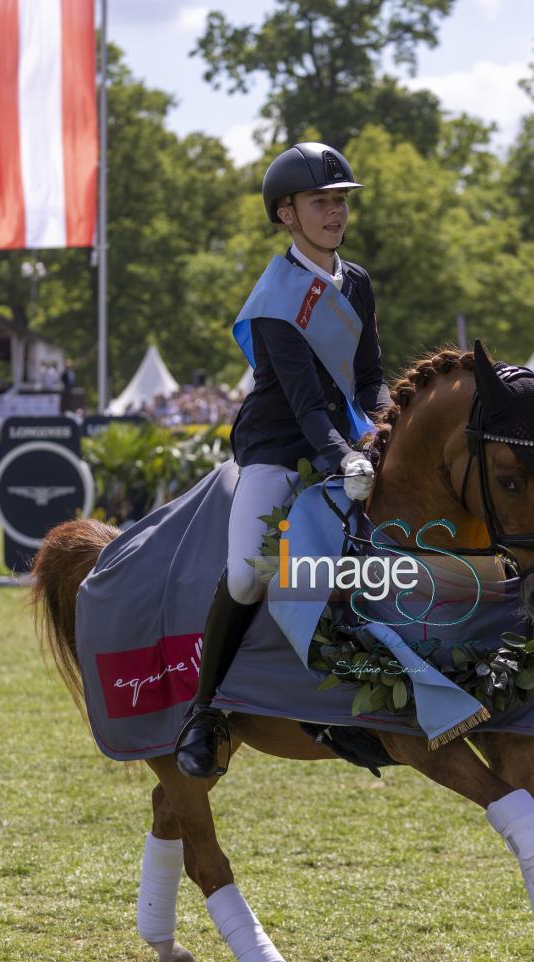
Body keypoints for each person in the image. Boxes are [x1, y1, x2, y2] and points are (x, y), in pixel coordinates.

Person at [174, 141, 391, 779]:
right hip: (278, 448)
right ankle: (204, 711)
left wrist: (384, 431)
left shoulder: (356, 283)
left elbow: (370, 377)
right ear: (286, 215)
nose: (334, 212)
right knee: (247, 572)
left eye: (340, 201)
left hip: (346, 443)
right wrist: (346, 459)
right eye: (319, 202)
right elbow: (304, 406)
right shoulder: (275, 298)